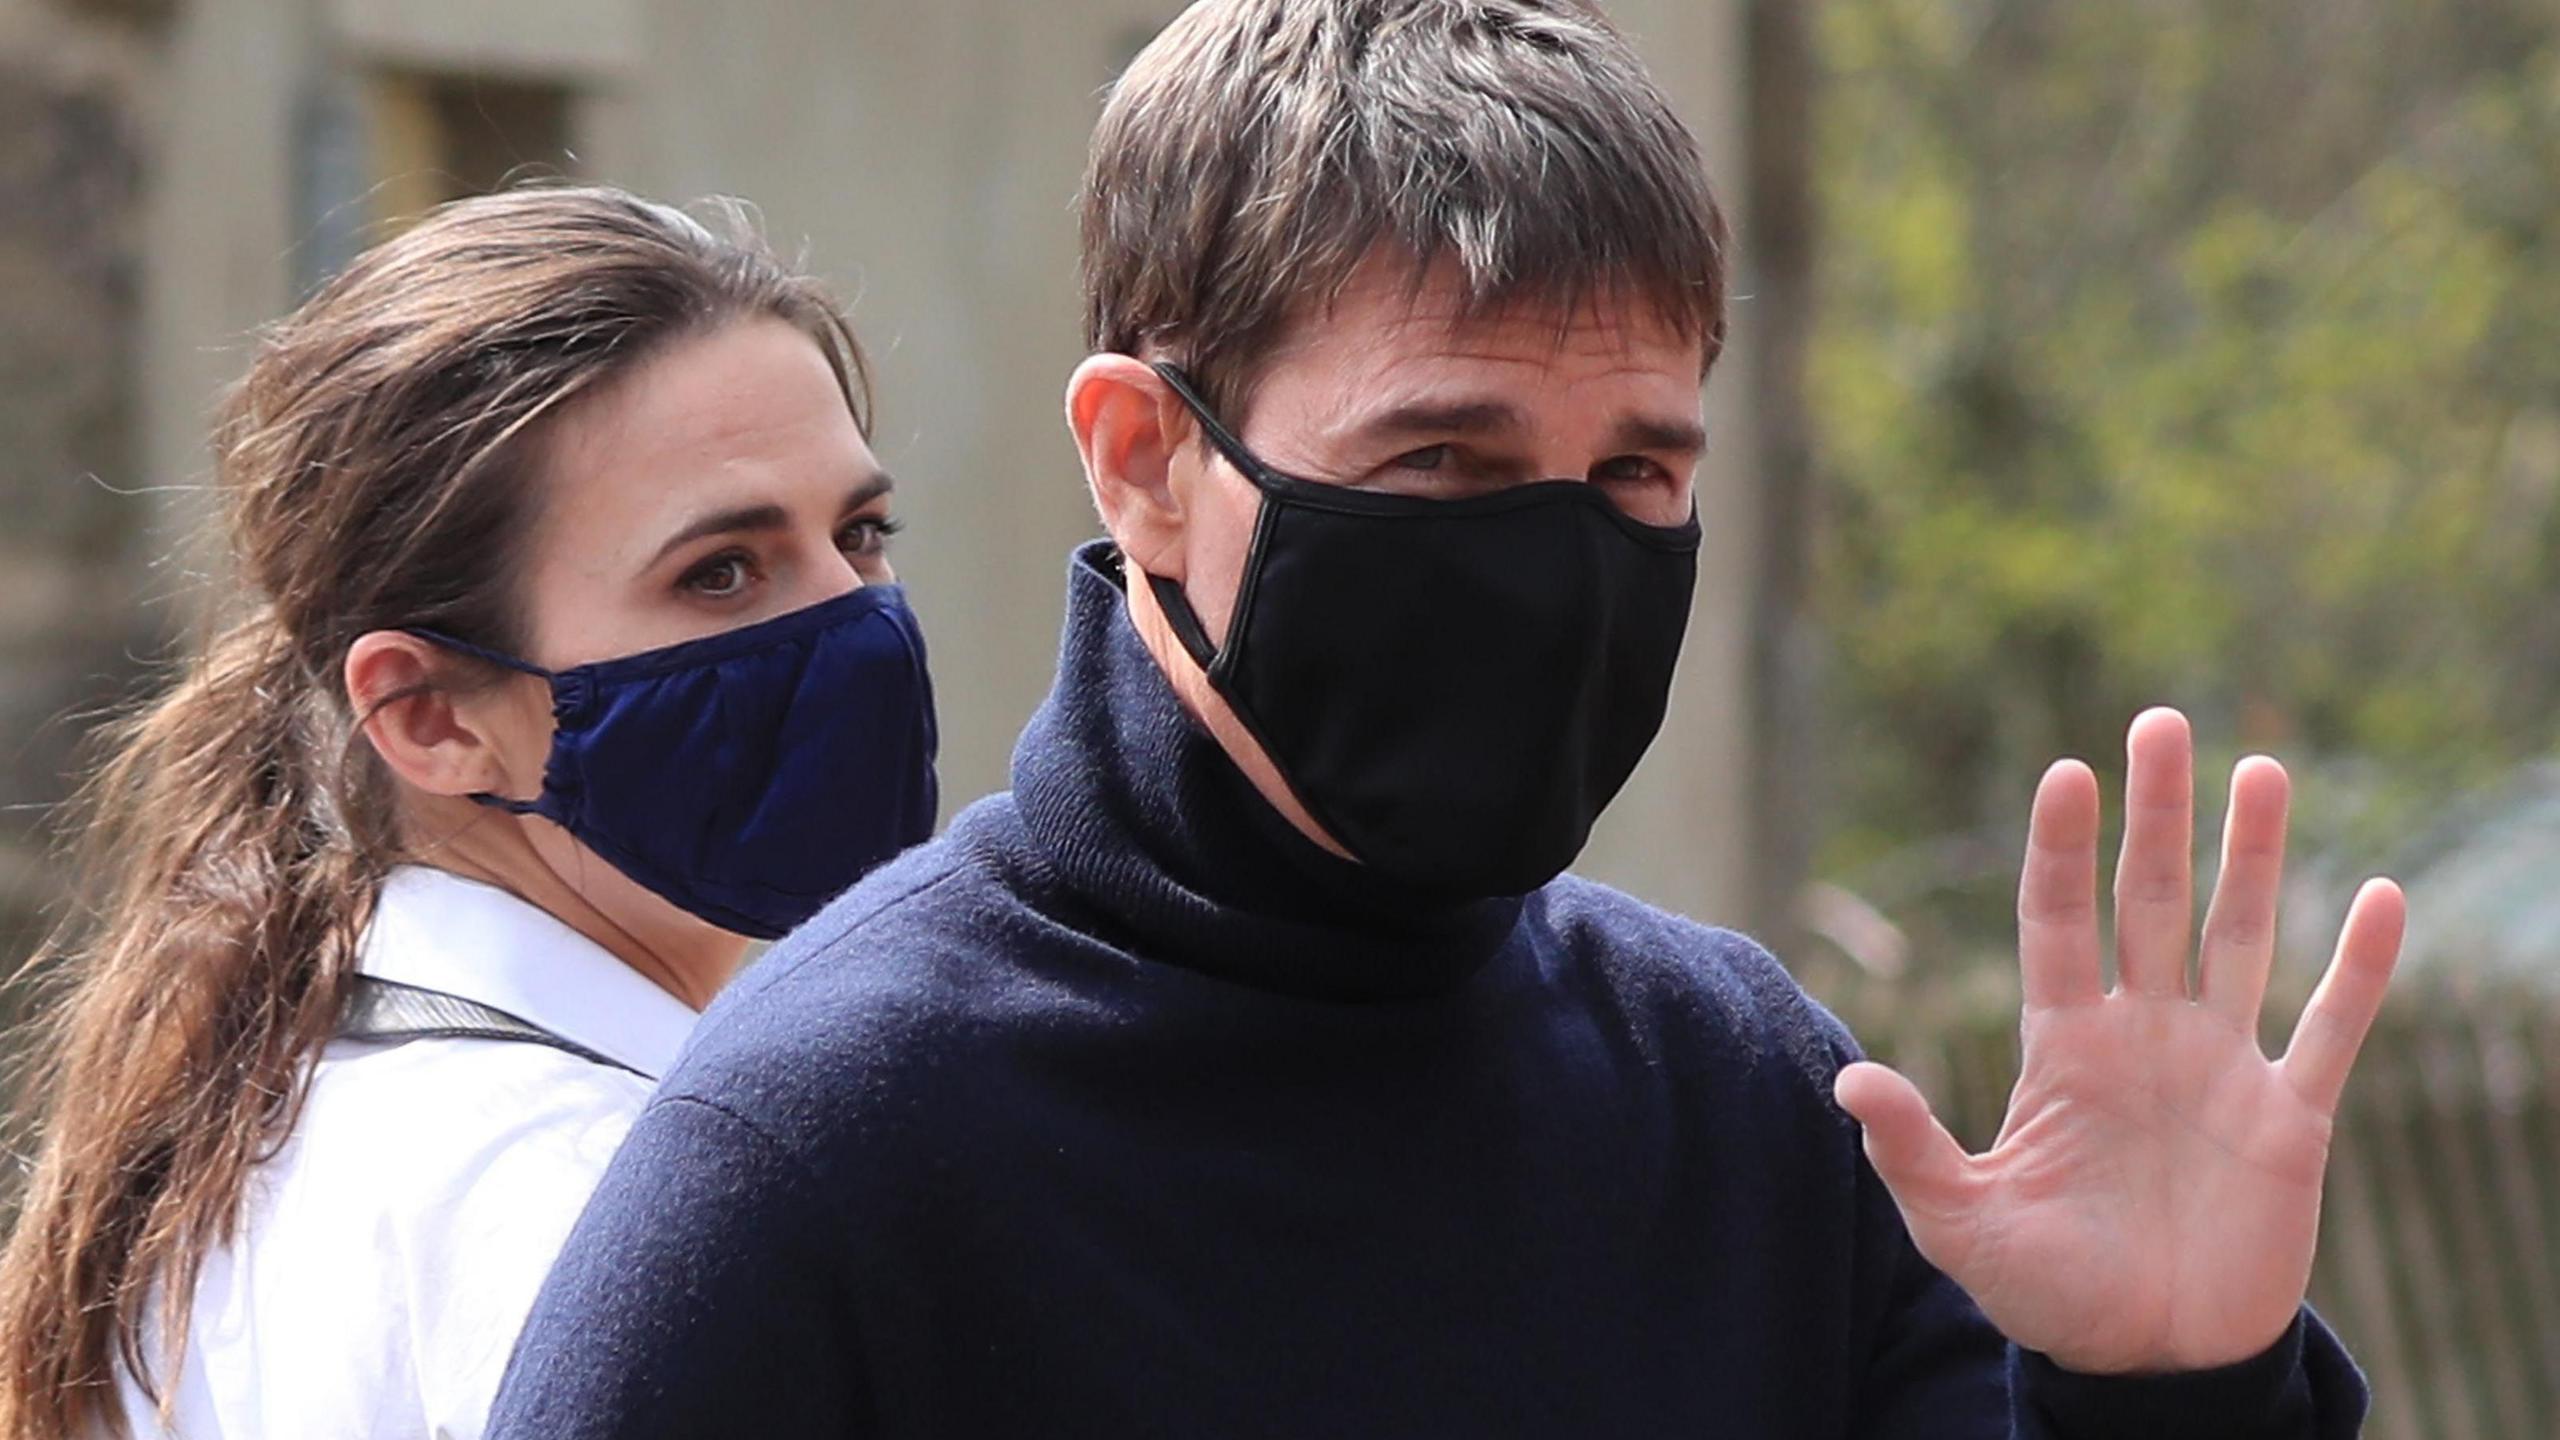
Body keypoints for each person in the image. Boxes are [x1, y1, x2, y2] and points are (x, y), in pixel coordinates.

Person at [487, 4, 2402, 1436]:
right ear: (1147, 462)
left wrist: (2173, 1389)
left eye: (1638, 475)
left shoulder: (1739, 1098)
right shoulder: (822, 1158)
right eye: (1443, 459)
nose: (1553, 567)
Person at [0, 185, 937, 1440]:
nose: (855, 623)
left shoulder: (276, 1101)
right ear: (432, 717)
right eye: (719, 572)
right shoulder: (600, 1200)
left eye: (862, 534)